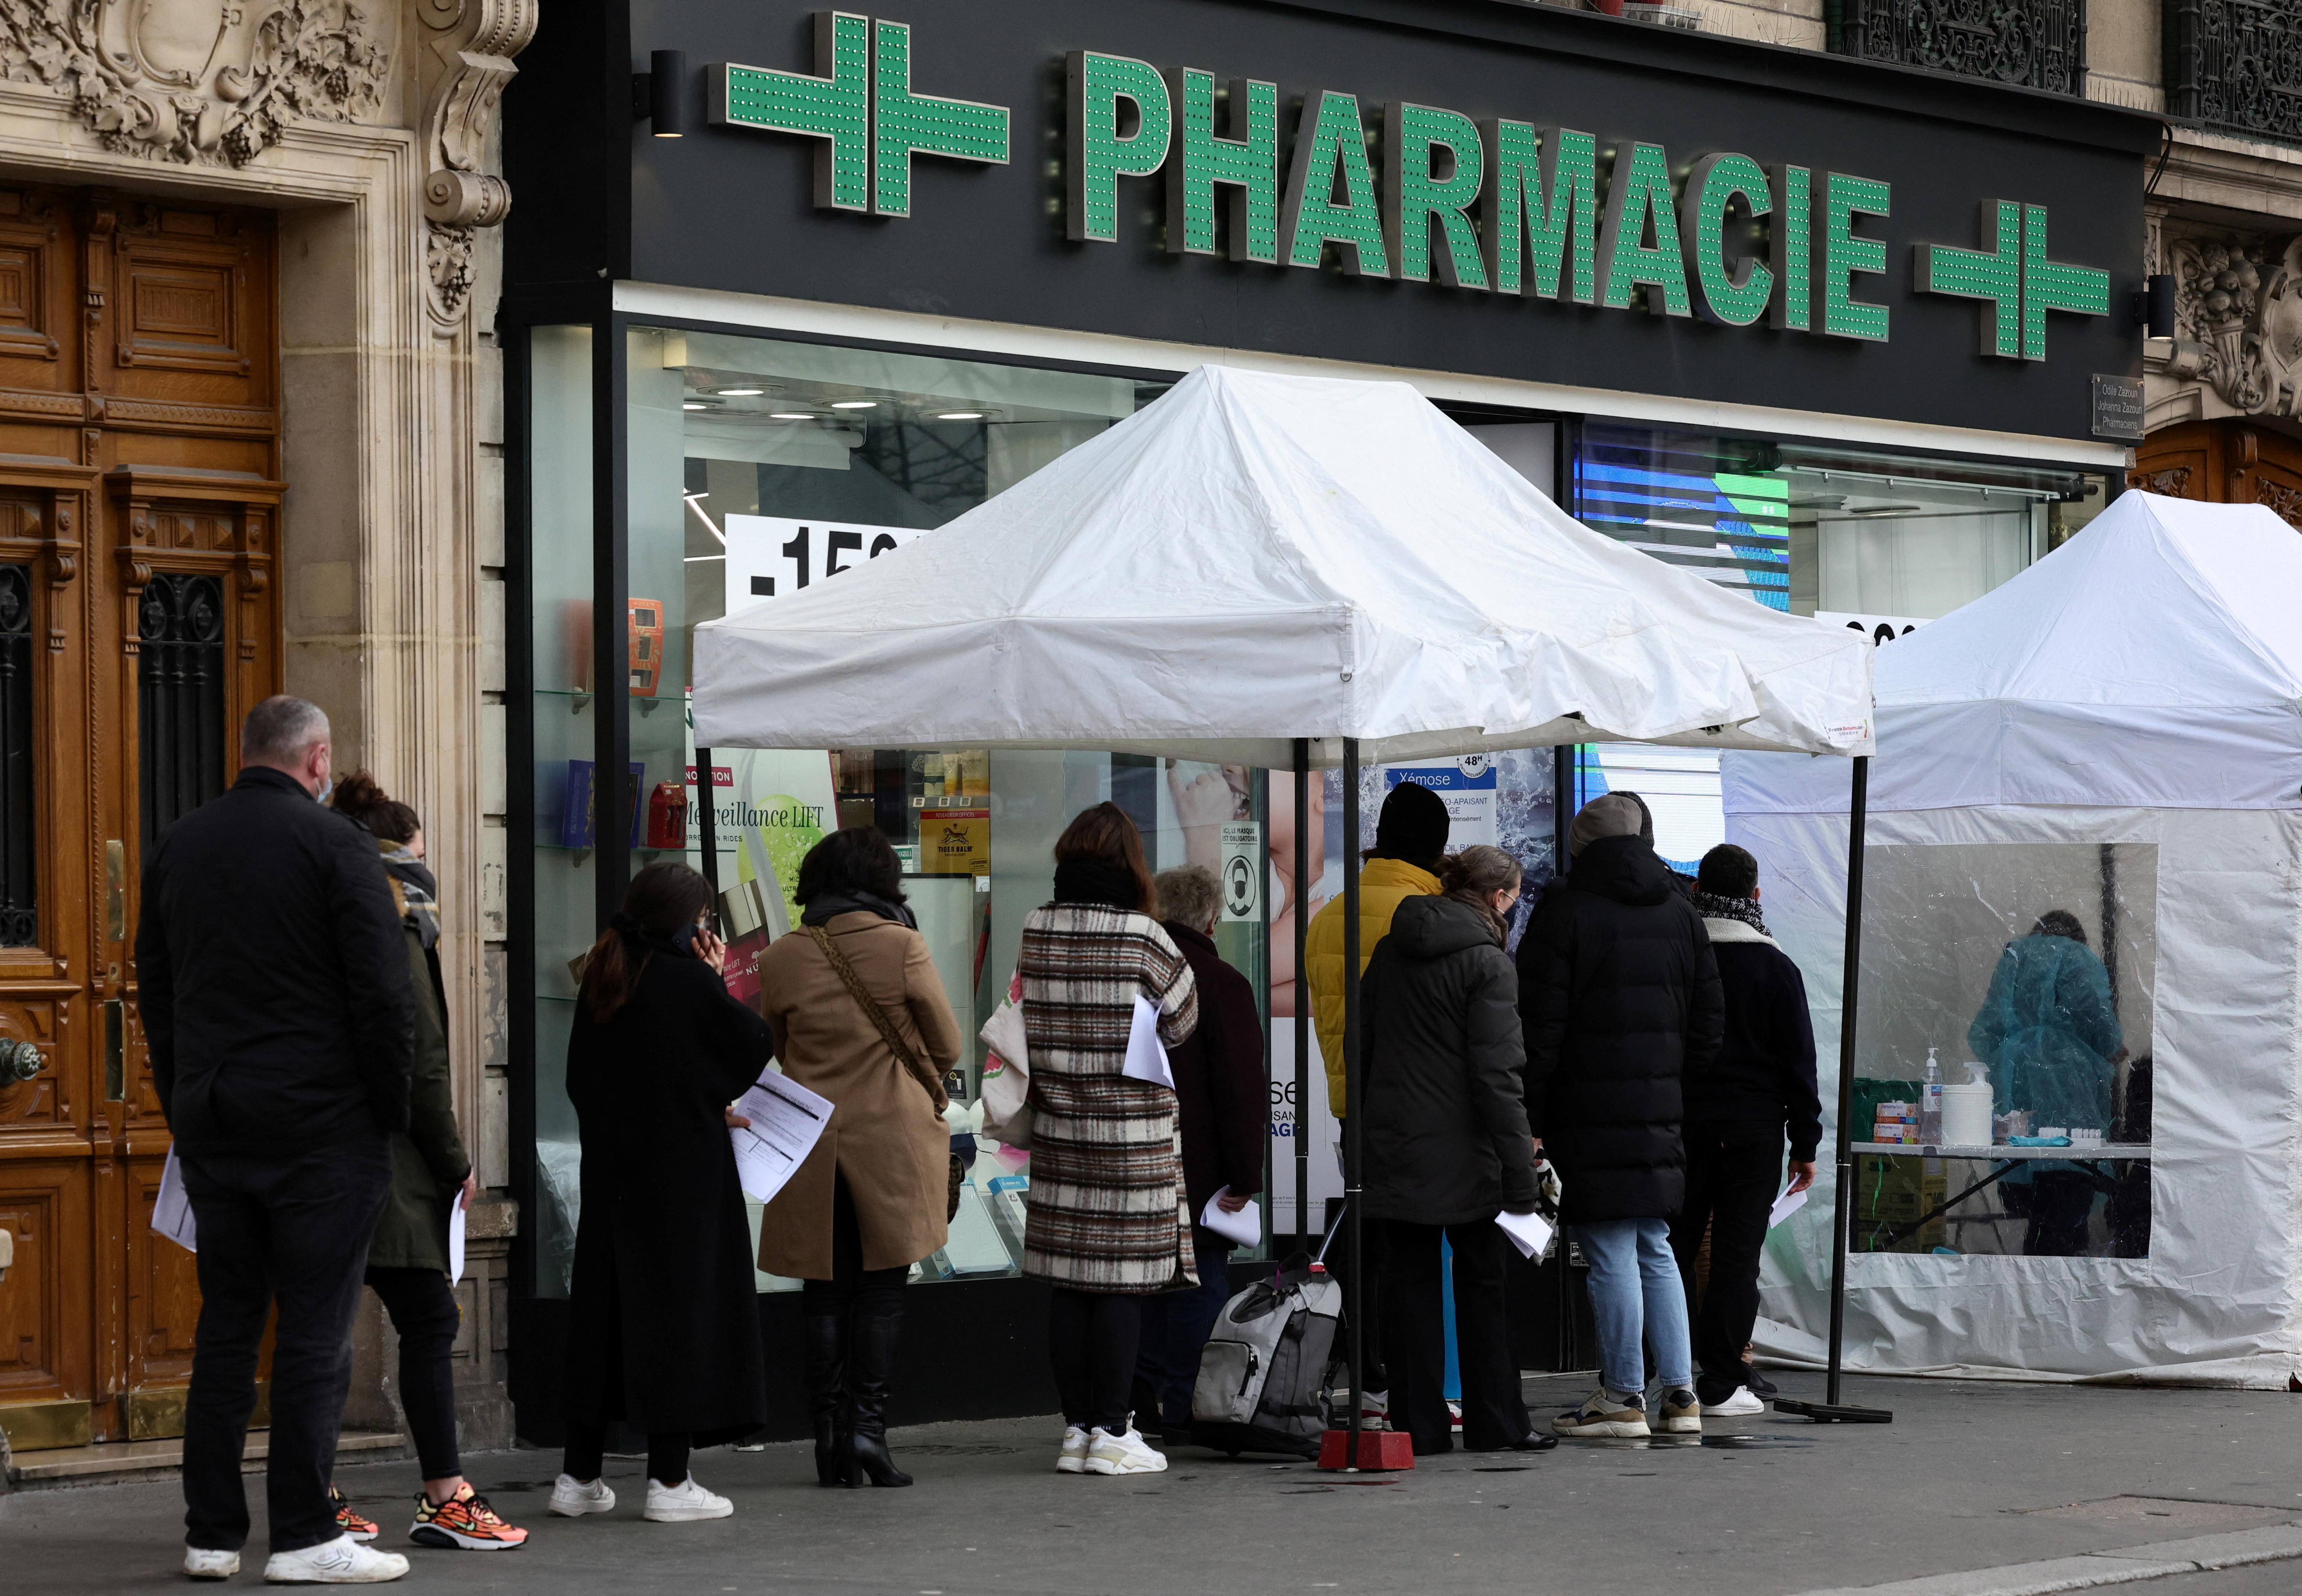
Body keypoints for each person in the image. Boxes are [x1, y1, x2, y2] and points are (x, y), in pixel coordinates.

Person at [136, 696, 416, 1584]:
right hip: (321, 1125)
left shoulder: (181, 841)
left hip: (218, 1118)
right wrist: (389, 1107)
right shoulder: (338, 846)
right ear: (317, 757)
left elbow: (159, 985)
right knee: (314, 1329)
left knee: (227, 1326)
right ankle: (303, 1529)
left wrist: (187, 1096)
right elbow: (383, 995)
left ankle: (212, 1533)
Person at [322, 775, 527, 1550]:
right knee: (429, 1317)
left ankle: (321, 1491)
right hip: (393, 1161)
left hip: (323, 1150)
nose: (426, 867)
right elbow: (422, 1059)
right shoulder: (395, 918)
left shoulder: (318, 910)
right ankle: (444, 1496)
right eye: (419, 852)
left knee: (323, 1323)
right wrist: (453, 1161)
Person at [555, 862, 775, 1523]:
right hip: (681, 1181)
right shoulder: (684, 980)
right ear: (688, 922)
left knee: (605, 1317)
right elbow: (749, 1046)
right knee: (678, 1317)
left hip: (612, 1176)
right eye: (705, 921)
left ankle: (578, 1476)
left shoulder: (605, 972)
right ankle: (670, 1482)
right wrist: (718, 979)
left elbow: (586, 1078)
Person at [755, 827, 962, 1489]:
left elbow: (777, 1047)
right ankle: (867, 1433)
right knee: (880, 1288)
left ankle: (826, 1439)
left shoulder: (782, 955)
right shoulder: (900, 944)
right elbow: (947, 1042)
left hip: (810, 1140)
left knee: (823, 1289)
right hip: (890, 1139)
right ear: (881, 882)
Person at [1518, 793, 1722, 1440]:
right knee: (1656, 1247)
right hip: (1660, 1107)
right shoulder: (1681, 914)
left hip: (1586, 1107)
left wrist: (1532, 1113)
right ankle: (1681, 1393)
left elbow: (1539, 1028)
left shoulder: (1565, 911)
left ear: (1579, 848)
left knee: (1608, 1246)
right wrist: (1668, 1082)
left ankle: (1622, 1396)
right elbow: (1709, 1026)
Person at [1018, 803, 1199, 1477]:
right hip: (1131, 1134)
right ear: (1130, 862)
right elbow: (1183, 1021)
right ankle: (1115, 1430)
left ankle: (1075, 1430)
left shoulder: (1037, 927)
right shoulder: (1143, 936)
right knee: (1119, 1286)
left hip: (1061, 1129)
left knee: (1071, 1285)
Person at [1361, 846, 1555, 1456]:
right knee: (1483, 1286)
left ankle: (1417, 1426)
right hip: (1469, 1154)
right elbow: (1498, 1076)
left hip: (1397, 1143)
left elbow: (1363, 1049)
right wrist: (1520, 1174)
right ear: (1498, 898)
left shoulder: (1390, 950)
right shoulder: (1487, 964)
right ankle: (1496, 1422)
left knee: (1409, 1289)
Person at [1301, 779, 1450, 1419]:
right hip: (1421, 1109)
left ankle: (1369, 1383)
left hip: (1350, 1107)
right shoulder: (1429, 916)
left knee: (1369, 1245)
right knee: (1418, 1257)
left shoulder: (1331, 911)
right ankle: (1422, 1390)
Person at [1667, 843, 1819, 1418]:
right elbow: (1796, 1064)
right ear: (1755, 897)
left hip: (1681, 1124)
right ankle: (1723, 1372)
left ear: (1697, 892)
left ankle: (1664, 1368)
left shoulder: (1678, 957)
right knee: (1736, 1255)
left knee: (1670, 1249)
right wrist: (1804, 1144)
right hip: (1753, 1129)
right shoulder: (1775, 966)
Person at [1132, 864, 1267, 1440]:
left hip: (1133, 1162)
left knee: (1137, 1288)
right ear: (1211, 917)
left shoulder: (1132, 980)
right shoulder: (1221, 982)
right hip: (1201, 1169)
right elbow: (1240, 1089)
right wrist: (1243, 1175)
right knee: (1199, 1284)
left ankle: (1135, 1400)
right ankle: (1188, 1403)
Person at [1967, 910, 2124, 1256]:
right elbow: (2097, 1019)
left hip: (2015, 1089)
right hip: (2070, 1093)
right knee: (2067, 1191)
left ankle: (2035, 1284)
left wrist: (2015, 1054)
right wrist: (2109, 1048)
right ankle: (2058, 1291)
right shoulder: (2078, 958)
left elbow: (1985, 1031)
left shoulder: (2015, 958)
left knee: (2037, 1201)